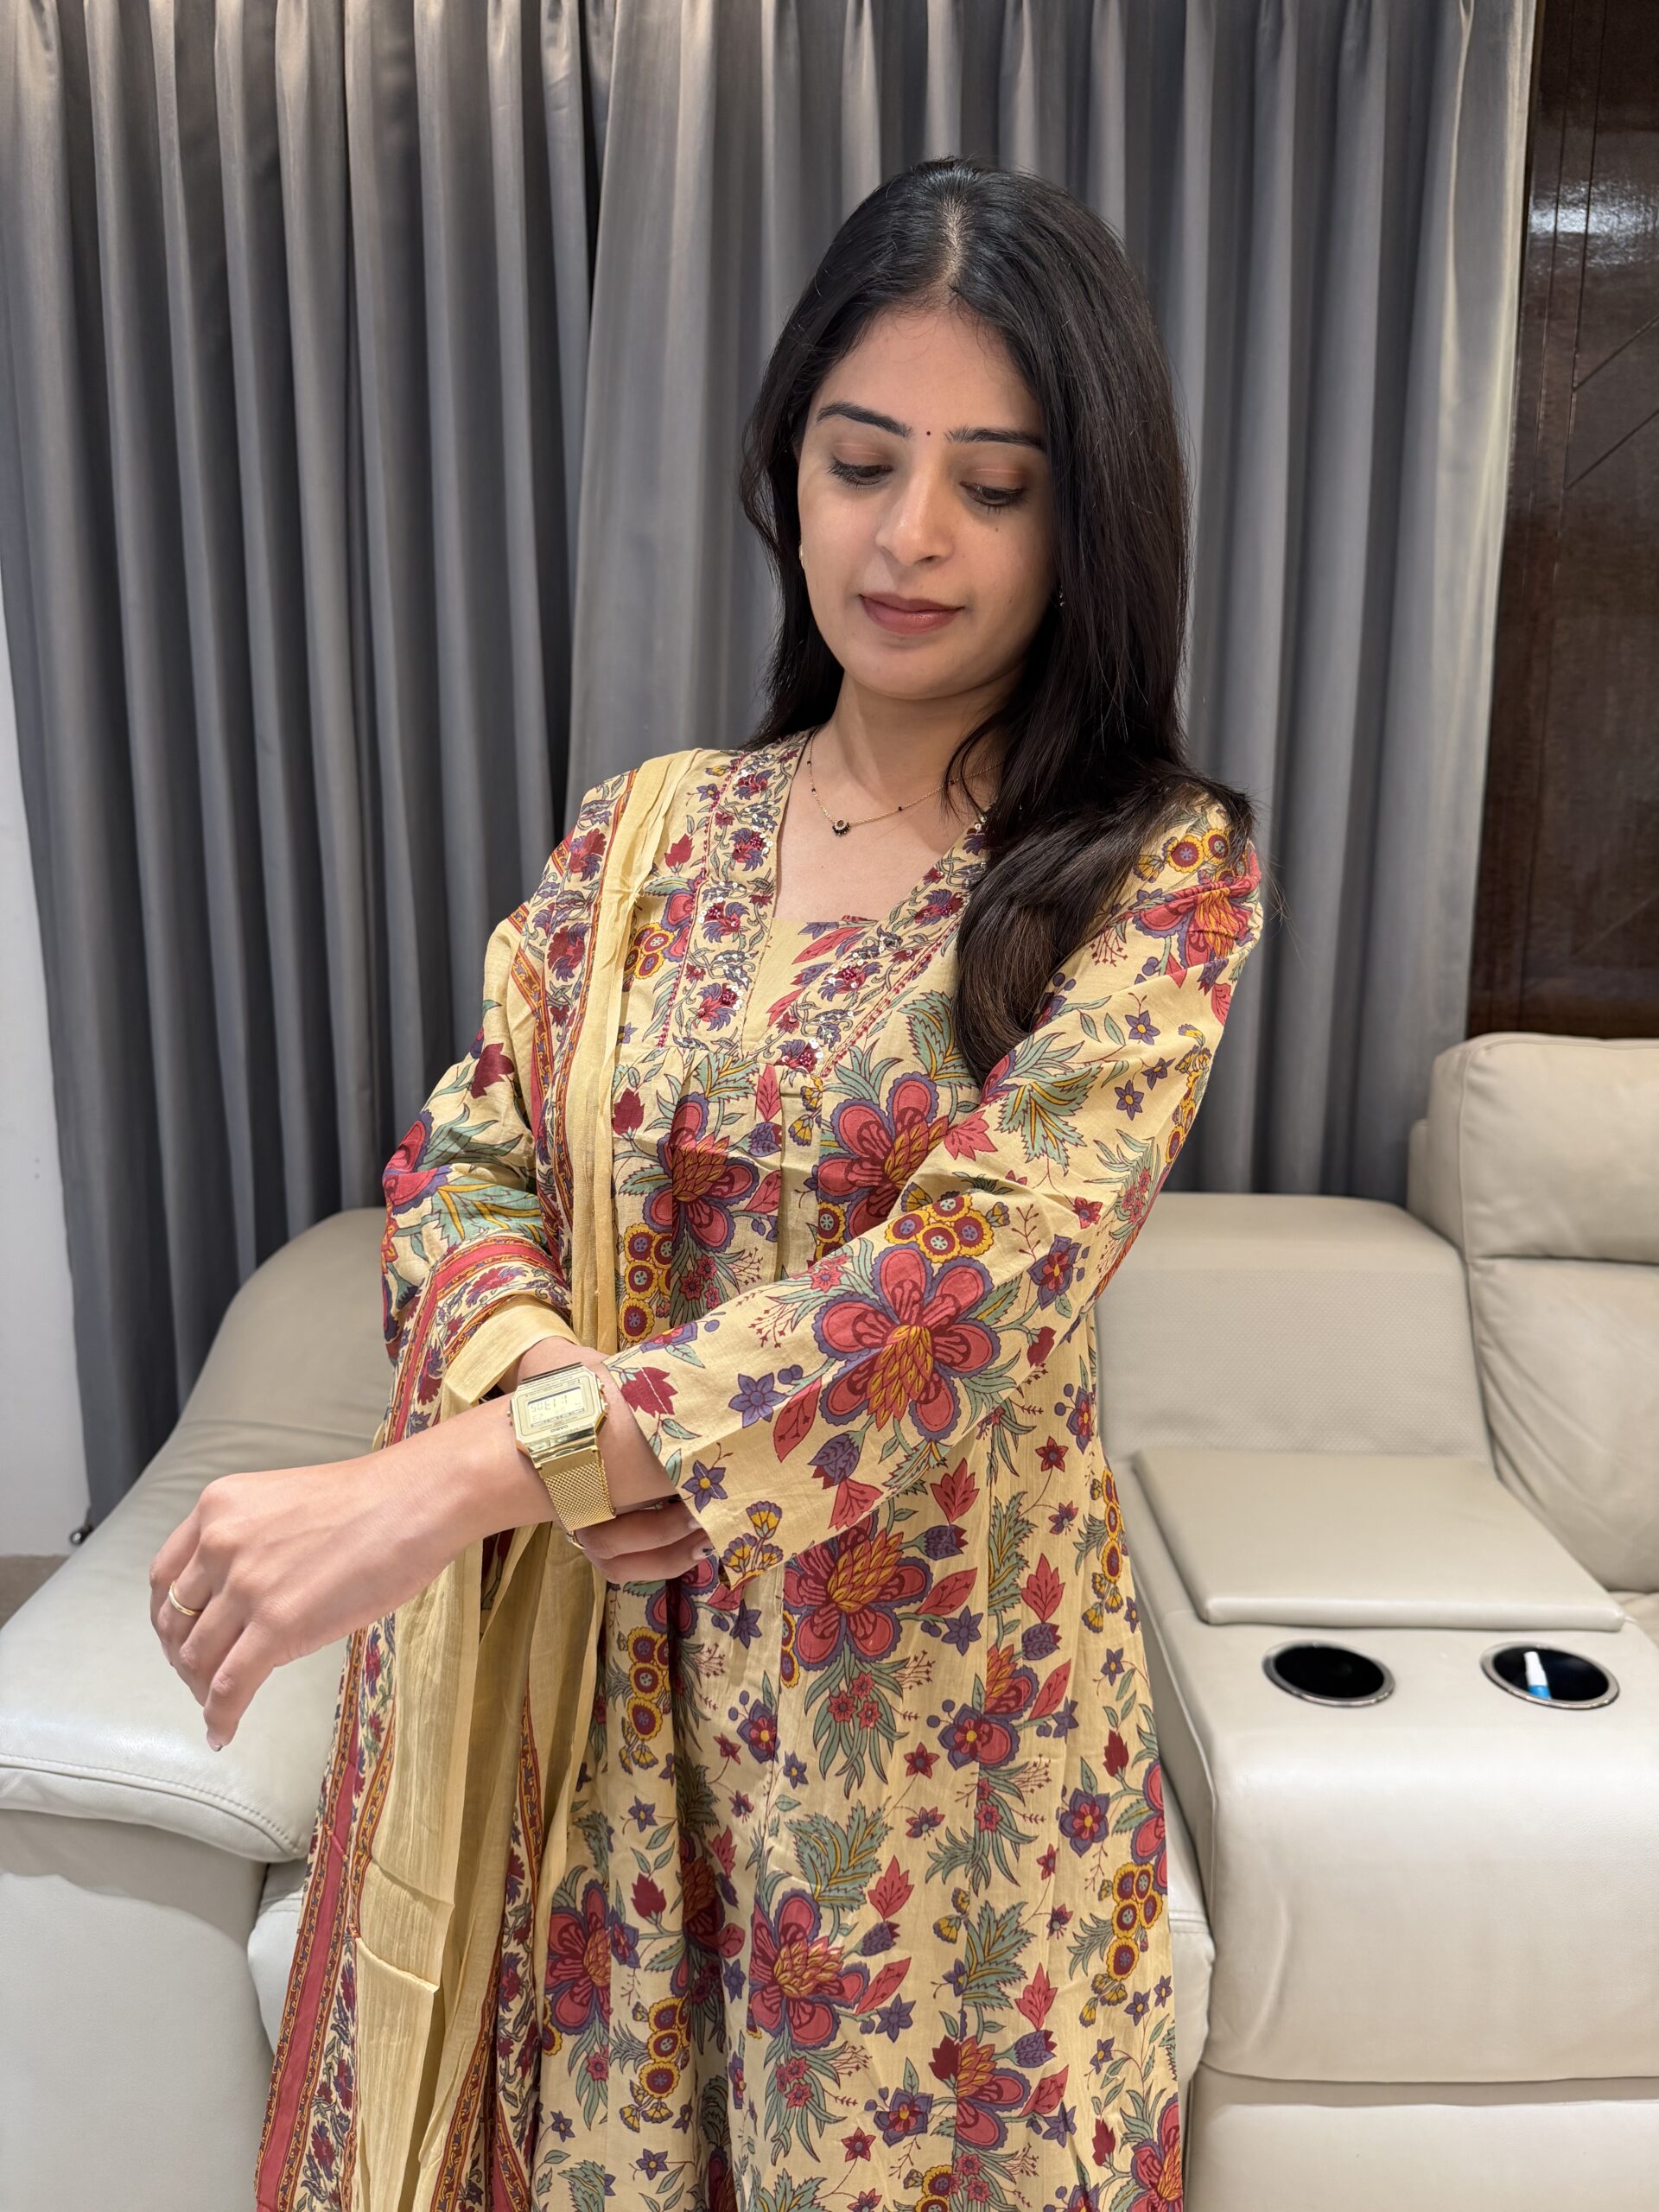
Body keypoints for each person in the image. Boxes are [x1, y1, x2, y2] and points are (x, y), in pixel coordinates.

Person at [152, 154, 1267, 2212]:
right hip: (613, 1722)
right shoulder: (648, 830)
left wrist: (466, 1474)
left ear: (1085, 521)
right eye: (861, 460)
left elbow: (971, 1281)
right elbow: (466, 1152)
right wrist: (542, 1388)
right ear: (789, 470)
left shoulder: (1154, 868)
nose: (908, 534)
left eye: (994, 485)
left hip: (938, 1761)